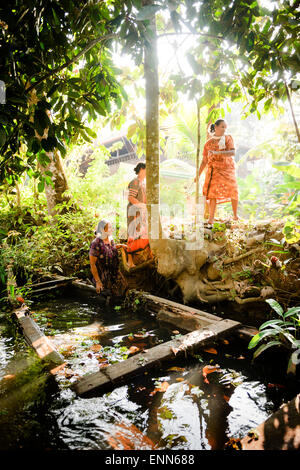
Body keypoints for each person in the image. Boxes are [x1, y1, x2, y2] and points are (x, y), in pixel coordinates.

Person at [196, 119, 239, 227]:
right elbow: (204, 161)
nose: (224, 129)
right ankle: (211, 219)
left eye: (225, 127)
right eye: (222, 127)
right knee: (212, 194)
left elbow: (232, 152)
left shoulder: (228, 138)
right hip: (214, 171)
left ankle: (235, 215)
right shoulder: (208, 143)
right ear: (215, 127)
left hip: (227, 169)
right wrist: (198, 174)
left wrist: (217, 153)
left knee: (233, 190)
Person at [89, 219, 127, 294]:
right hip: (103, 276)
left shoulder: (110, 239)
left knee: (125, 290)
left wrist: (119, 246)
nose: (112, 229)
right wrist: (98, 282)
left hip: (114, 273)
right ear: (102, 230)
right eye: (109, 227)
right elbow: (92, 264)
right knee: (112, 296)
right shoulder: (96, 243)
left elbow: (111, 248)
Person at [126, 162, 150, 268]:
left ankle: (142, 257)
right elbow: (131, 198)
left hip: (140, 212)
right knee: (132, 234)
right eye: (146, 170)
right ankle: (129, 261)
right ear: (141, 169)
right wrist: (142, 206)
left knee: (142, 233)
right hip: (134, 211)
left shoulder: (143, 183)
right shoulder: (135, 182)